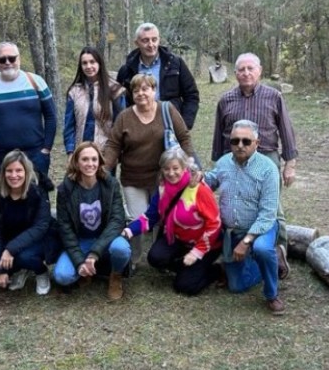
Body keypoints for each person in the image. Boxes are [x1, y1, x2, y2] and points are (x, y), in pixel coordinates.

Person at [210, 52, 297, 278]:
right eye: (241, 69)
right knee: (235, 203)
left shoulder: (273, 96)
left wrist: (290, 164)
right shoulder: (226, 100)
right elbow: (219, 135)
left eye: (250, 68)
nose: (246, 73)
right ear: (235, 73)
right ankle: (234, 252)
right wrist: (218, 165)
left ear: (259, 71)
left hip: (266, 156)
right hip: (233, 158)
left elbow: (286, 131)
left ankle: (278, 252)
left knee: (273, 208)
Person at [103, 74, 195, 263]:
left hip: (163, 177)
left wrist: (191, 164)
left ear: (154, 90)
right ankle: (134, 257)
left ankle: (157, 254)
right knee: (138, 219)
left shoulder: (167, 109)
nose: (141, 94)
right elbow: (113, 145)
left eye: (145, 89)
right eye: (136, 90)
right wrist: (103, 169)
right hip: (133, 178)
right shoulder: (125, 117)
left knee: (161, 218)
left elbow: (184, 137)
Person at [203, 120, 284, 314]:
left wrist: (246, 242)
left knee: (263, 249)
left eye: (246, 141)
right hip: (232, 231)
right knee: (236, 287)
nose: (240, 145)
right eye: (235, 141)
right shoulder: (223, 163)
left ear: (257, 142)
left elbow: (267, 214)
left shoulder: (268, 169)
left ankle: (272, 294)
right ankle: (268, 263)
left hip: (260, 228)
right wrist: (194, 178)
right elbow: (210, 180)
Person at [123, 147, 222, 295]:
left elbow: (214, 225)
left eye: (175, 168)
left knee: (185, 287)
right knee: (155, 258)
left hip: (206, 244)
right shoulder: (162, 188)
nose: (171, 173)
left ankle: (216, 270)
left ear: (184, 168)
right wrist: (129, 230)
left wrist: (196, 252)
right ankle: (187, 268)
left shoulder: (199, 189)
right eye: (166, 169)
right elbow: (150, 217)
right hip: (178, 239)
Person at [53, 143, 131, 300]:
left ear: (100, 161)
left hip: (106, 238)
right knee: (62, 276)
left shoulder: (111, 184)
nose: (90, 164)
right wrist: (79, 261)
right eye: (85, 159)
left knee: (121, 249)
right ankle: (87, 269)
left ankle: (115, 276)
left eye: (94, 159)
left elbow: (117, 220)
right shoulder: (65, 189)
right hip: (80, 241)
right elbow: (65, 228)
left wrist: (94, 253)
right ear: (76, 162)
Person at [0, 150, 53, 295]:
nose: (14, 175)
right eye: (9, 171)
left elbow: (40, 227)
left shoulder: (38, 191)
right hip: (8, 239)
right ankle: (20, 269)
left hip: (38, 240)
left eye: (19, 170)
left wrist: (10, 250)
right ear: (3, 173)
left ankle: (41, 271)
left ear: (26, 171)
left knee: (24, 256)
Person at [0, 42, 57, 176]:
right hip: (2, 156)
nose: (7, 62)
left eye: (12, 58)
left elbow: (51, 116)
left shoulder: (36, 82)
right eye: (2, 59)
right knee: (5, 196)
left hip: (35, 154)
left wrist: (46, 149)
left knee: (38, 195)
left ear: (19, 59)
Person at [116, 22, 200, 129]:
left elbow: (191, 95)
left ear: (159, 40)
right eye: (145, 40)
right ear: (136, 43)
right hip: (138, 128)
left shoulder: (175, 64)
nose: (151, 45)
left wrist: (185, 124)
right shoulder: (126, 70)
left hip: (170, 125)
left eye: (154, 39)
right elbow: (121, 102)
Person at [63, 47, 126, 156]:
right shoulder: (74, 91)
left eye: (92, 62)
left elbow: (119, 125)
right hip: (81, 153)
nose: (88, 66)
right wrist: (70, 151)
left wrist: (113, 153)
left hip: (105, 154)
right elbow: (69, 126)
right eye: (84, 63)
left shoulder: (114, 89)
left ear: (99, 63)